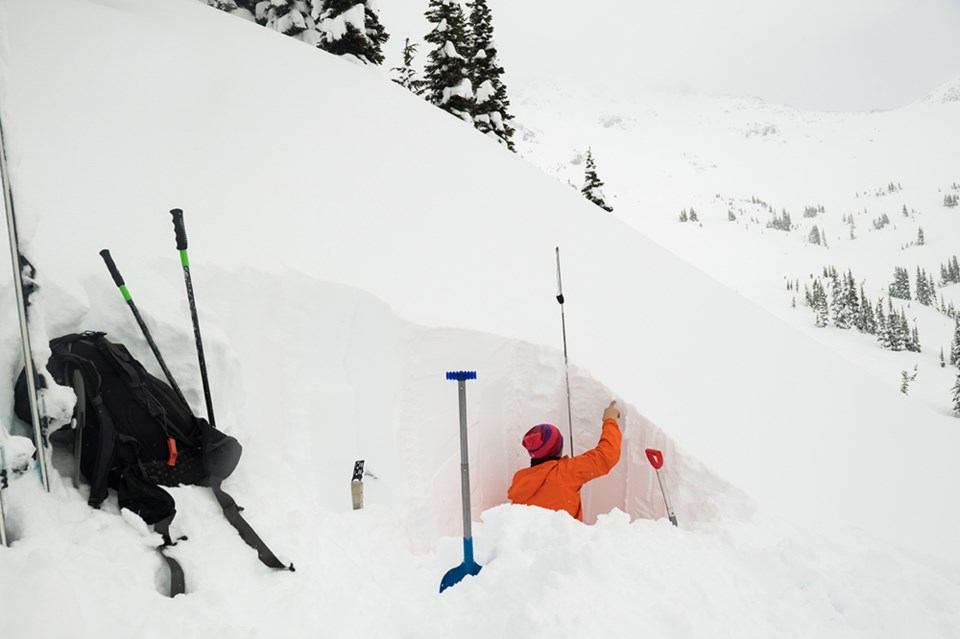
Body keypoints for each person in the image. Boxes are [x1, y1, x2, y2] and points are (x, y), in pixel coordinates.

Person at [507, 400, 622, 521]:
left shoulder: (519, 479)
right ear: (558, 448)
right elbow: (606, 455)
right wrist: (610, 420)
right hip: (565, 539)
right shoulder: (566, 472)